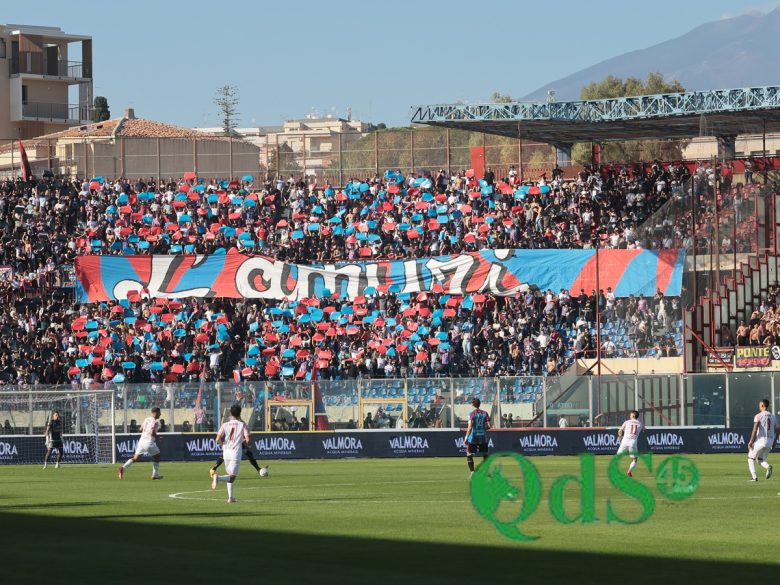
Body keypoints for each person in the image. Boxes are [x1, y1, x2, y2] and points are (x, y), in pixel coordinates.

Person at [211, 404, 251, 503]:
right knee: (232, 477)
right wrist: (244, 443)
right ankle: (218, 478)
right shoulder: (243, 424)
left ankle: (231, 497)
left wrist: (223, 446)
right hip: (235, 452)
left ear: (231, 413)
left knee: (229, 474)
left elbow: (217, 439)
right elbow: (248, 440)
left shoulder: (225, 424)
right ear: (240, 413)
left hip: (226, 452)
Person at [118, 406, 163, 480]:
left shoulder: (146, 419)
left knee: (136, 458)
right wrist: (158, 438)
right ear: (156, 413)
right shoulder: (155, 421)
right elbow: (152, 432)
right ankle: (155, 475)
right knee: (157, 456)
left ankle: (123, 468)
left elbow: (140, 429)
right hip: (148, 442)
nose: (160, 414)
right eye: (159, 413)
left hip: (141, 441)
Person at [747, 399, 778, 482]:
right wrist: (775, 441)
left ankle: (754, 477)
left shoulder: (758, 416)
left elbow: (754, 429)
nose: (759, 406)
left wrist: (751, 441)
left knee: (750, 458)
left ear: (762, 405)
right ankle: (768, 467)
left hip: (761, 441)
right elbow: (778, 429)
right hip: (770, 441)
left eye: (759, 404)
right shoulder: (773, 417)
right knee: (760, 459)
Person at [464, 398, 491, 478]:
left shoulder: (471, 414)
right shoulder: (485, 413)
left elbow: (469, 427)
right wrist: (482, 428)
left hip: (473, 437)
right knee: (485, 455)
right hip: (483, 437)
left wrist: (466, 437)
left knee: (469, 454)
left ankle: (472, 472)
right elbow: (489, 426)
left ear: (472, 404)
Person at [616, 410, 642, 477]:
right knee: (634, 459)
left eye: (630, 415)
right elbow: (644, 429)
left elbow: (620, 431)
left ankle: (615, 471)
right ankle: (629, 471)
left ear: (633, 415)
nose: (630, 416)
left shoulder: (627, 422)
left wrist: (620, 437)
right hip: (633, 442)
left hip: (624, 441)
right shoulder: (640, 424)